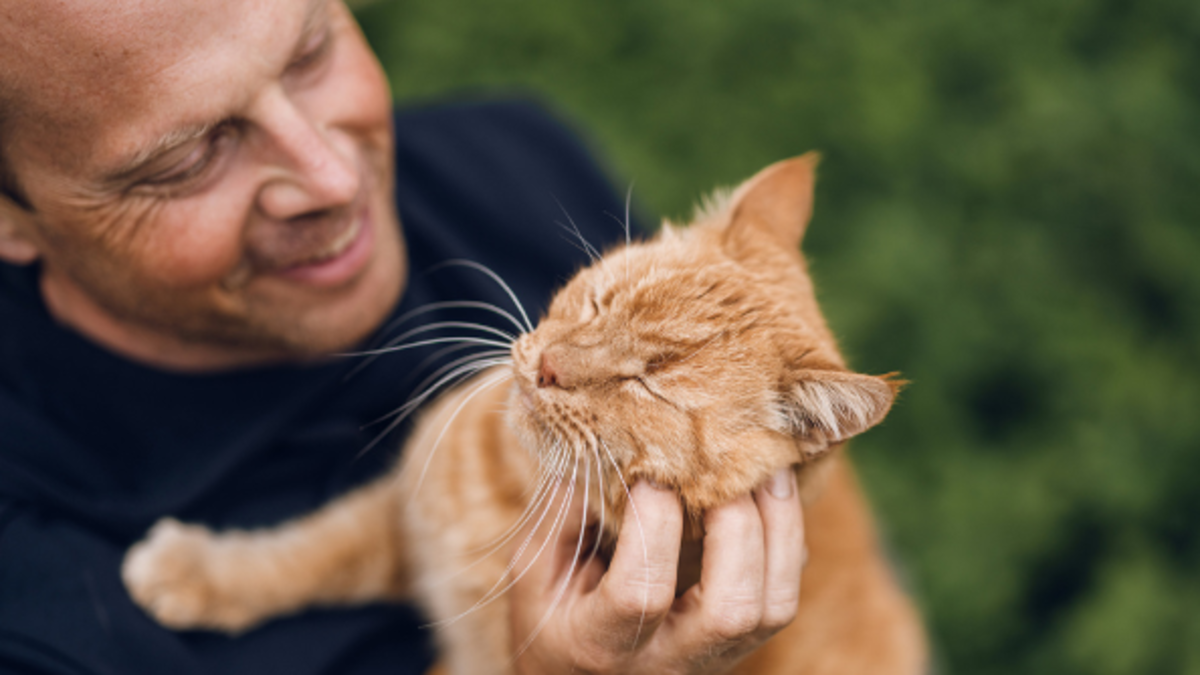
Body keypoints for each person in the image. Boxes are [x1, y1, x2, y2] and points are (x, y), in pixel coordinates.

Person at [0, 1, 807, 673]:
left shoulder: (515, 157)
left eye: (311, 49)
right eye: (187, 157)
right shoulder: (47, 627)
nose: (336, 179)